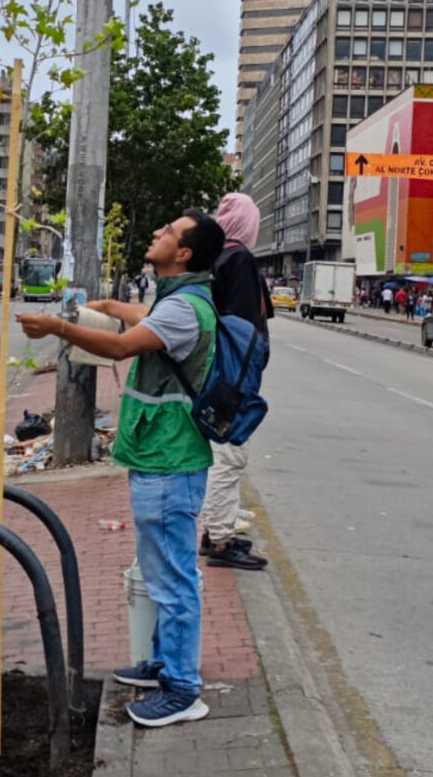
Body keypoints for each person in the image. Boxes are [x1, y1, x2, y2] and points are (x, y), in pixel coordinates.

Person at [17, 212, 227, 730]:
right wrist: (107, 307)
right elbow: (137, 316)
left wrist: (56, 328)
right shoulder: (178, 299)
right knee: (159, 571)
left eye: (168, 232)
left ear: (184, 254)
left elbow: (120, 346)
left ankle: (182, 689)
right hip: (160, 456)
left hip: (170, 460)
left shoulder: (184, 309)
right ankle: (163, 663)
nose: (156, 232)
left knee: (174, 577)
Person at [198, 195, 270, 572]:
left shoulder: (217, 256)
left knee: (222, 454)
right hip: (232, 375)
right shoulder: (238, 258)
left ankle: (215, 530)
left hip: (219, 370)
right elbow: (243, 327)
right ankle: (220, 539)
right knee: (229, 456)